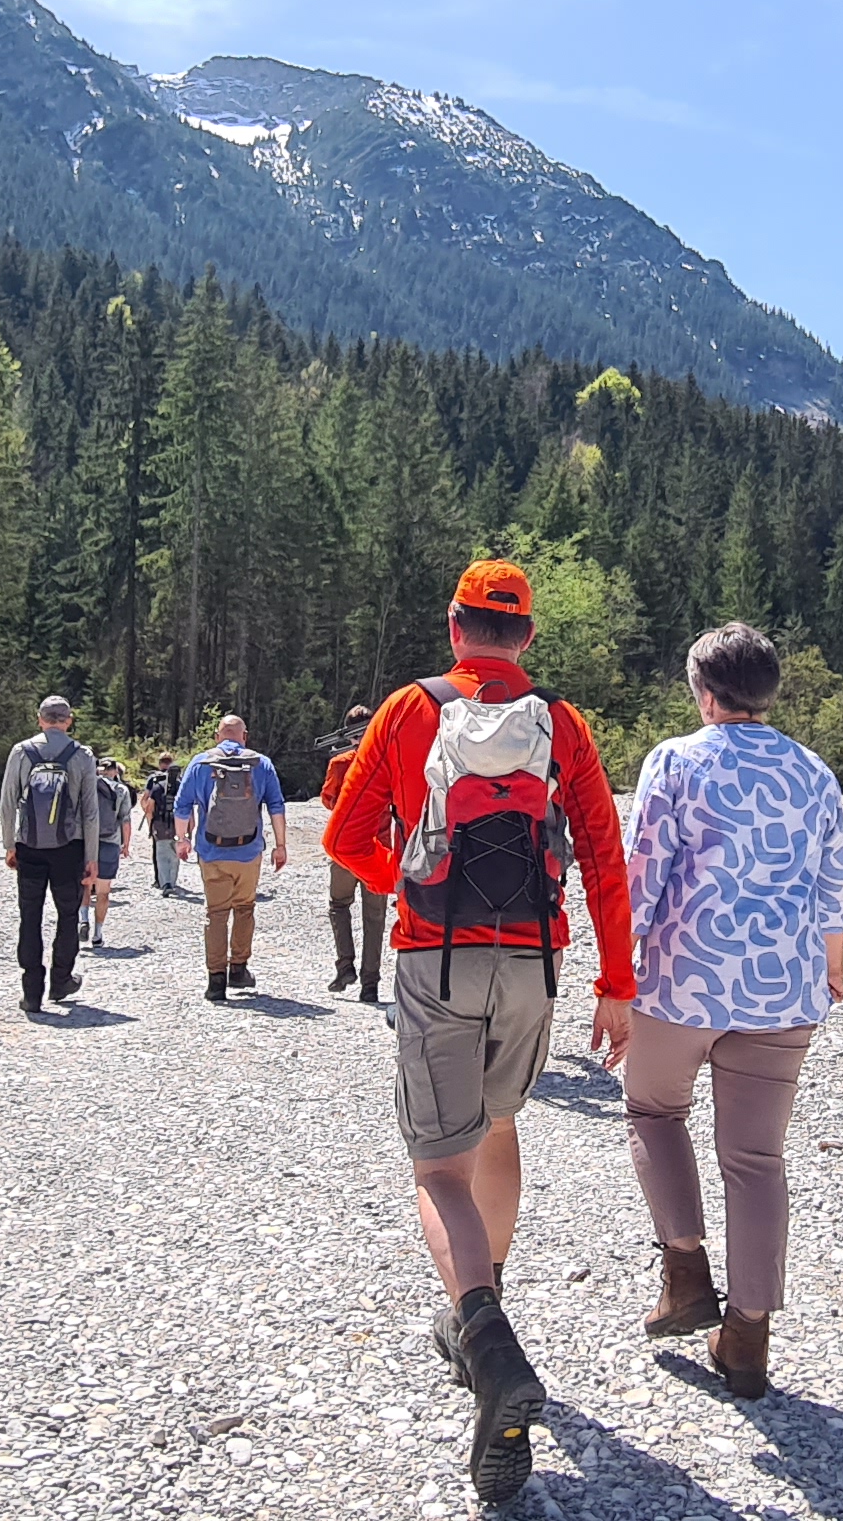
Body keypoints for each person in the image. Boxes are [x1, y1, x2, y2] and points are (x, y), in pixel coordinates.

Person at [320, 560, 635, 1508]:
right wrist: (616, 984)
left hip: (437, 960)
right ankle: (483, 1294)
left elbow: (344, 836)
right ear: (526, 637)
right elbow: (604, 856)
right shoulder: (563, 723)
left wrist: (413, 886)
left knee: (438, 1169)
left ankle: (484, 1338)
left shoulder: (407, 709)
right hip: (533, 962)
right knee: (498, 1128)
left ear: (454, 627)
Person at [619, 622, 843, 1401]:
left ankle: (685, 1275)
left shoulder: (676, 761)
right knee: (756, 1160)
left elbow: (643, 874)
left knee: (653, 1111)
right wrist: (832, 965)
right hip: (784, 989)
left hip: (683, 980)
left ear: (705, 694)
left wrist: (616, 972)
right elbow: (831, 884)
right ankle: (747, 1339)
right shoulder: (814, 772)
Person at [0, 696, 108, 1015]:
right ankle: (61, 981)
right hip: (69, 847)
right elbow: (90, 811)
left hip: (29, 846)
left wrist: (10, 845)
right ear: (68, 721)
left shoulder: (21, 751)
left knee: (30, 916)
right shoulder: (82, 755)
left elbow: (7, 803)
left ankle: (31, 992)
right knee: (68, 914)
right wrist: (91, 856)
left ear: (40, 719)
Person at [173, 716, 289, 1003]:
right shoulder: (261, 764)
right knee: (244, 908)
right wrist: (280, 845)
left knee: (216, 913)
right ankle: (238, 969)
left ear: (217, 736)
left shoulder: (200, 763)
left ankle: (216, 981)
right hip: (248, 851)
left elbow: (182, 805)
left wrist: (182, 839)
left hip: (211, 851)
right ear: (244, 736)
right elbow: (276, 806)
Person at [320, 704, 389, 1000]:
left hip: (346, 849)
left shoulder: (340, 763)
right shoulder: (387, 760)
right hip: (379, 849)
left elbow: (328, 799)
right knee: (375, 916)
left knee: (339, 905)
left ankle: (345, 964)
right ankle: (370, 984)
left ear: (348, 734)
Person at [85, 766, 136, 949]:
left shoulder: (85, 787)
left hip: (85, 843)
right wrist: (126, 845)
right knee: (103, 892)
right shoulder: (121, 790)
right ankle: (98, 934)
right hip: (110, 843)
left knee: (84, 885)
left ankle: (83, 919)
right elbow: (126, 820)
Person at [143, 751, 189, 900]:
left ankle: (164, 883)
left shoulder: (156, 783)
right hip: (177, 825)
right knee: (174, 855)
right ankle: (172, 881)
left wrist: (150, 824)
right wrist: (189, 831)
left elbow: (148, 805)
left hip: (160, 824)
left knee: (161, 854)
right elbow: (188, 810)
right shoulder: (182, 786)